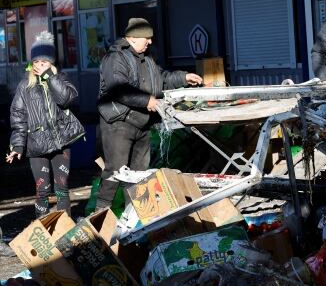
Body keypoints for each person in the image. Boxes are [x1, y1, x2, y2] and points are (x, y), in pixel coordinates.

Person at [94, 18, 202, 210]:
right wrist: (147, 101)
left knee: (138, 175)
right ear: (134, 37)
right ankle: (99, 218)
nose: (150, 42)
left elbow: (162, 79)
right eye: (147, 38)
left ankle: (133, 217)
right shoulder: (115, 58)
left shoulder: (147, 58)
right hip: (119, 123)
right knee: (115, 171)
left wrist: (184, 77)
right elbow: (119, 89)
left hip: (142, 124)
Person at [7, 31, 83, 218]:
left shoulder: (60, 79)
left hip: (60, 143)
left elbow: (67, 98)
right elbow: (18, 116)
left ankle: (64, 227)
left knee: (62, 188)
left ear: (52, 64)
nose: (40, 66)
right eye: (37, 63)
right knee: (42, 190)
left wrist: (50, 77)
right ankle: (42, 226)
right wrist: (17, 145)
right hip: (36, 146)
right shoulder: (24, 86)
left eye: (45, 63)